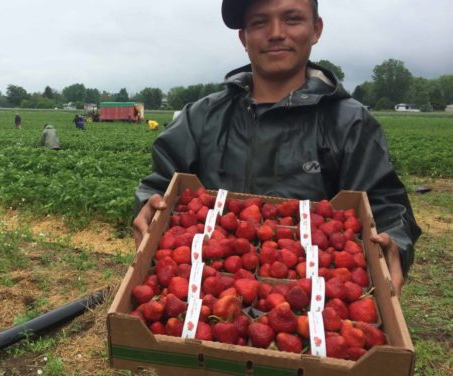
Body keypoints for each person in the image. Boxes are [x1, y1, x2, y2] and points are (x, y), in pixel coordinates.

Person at [132, 0, 421, 296]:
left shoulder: (350, 123)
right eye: (259, 22)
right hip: (206, 290)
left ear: (316, 29)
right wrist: (147, 205)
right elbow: (162, 186)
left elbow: (384, 205)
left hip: (317, 296)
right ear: (244, 38)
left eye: (292, 19)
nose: (275, 33)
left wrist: (394, 244)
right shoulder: (201, 118)